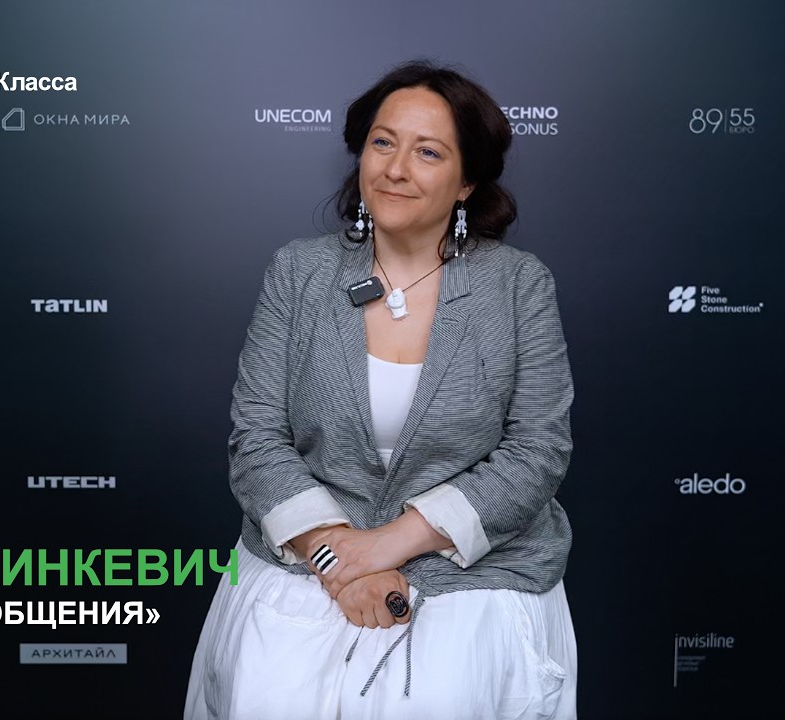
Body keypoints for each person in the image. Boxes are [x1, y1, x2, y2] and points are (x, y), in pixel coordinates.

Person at [185, 60, 577, 720]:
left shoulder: (519, 285)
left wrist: (385, 546)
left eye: (428, 152)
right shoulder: (298, 271)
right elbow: (257, 439)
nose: (395, 169)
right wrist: (340, 561)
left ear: (467, 181)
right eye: (383, 142)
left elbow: (536, 453)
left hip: (473, 576)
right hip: (307, 562)